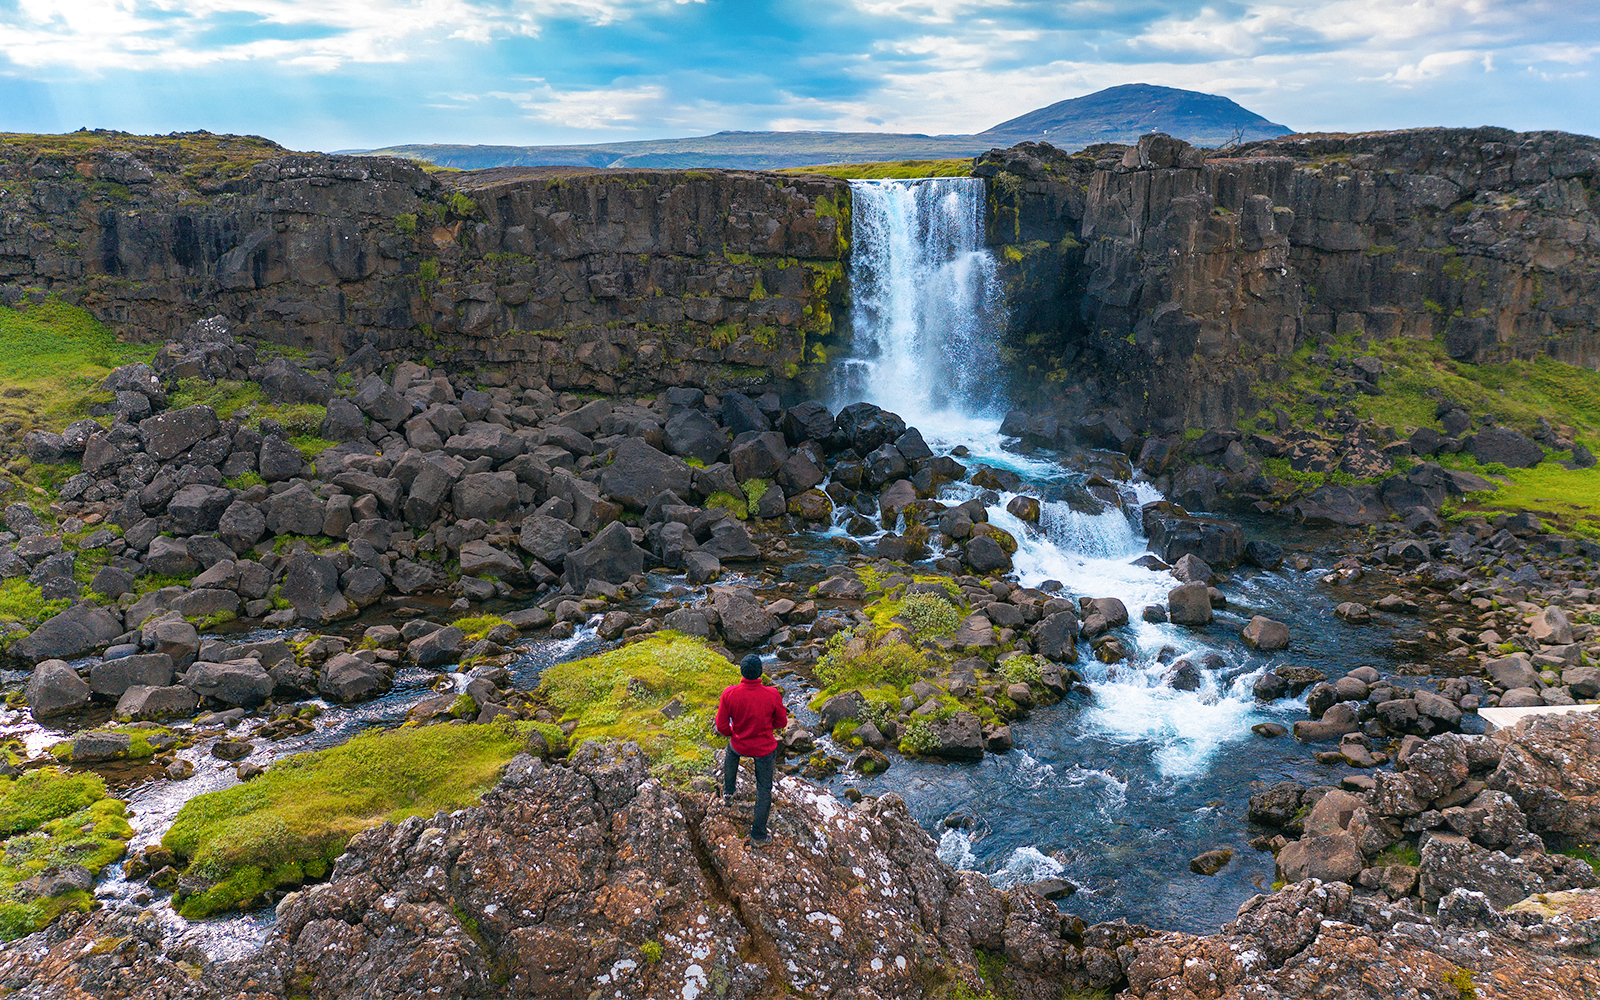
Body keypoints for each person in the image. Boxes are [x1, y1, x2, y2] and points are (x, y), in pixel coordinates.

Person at [715, 653, 788, 846]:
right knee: (764, 789)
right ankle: (759, 836)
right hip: (764, 748)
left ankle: (728, 793)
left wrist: (735, 732)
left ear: (742, 672)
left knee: (731, 753)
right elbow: (782, 722)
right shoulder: (772, 694)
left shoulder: (729, 693)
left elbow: (722, 727)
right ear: (760, 673)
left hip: (739, 744)